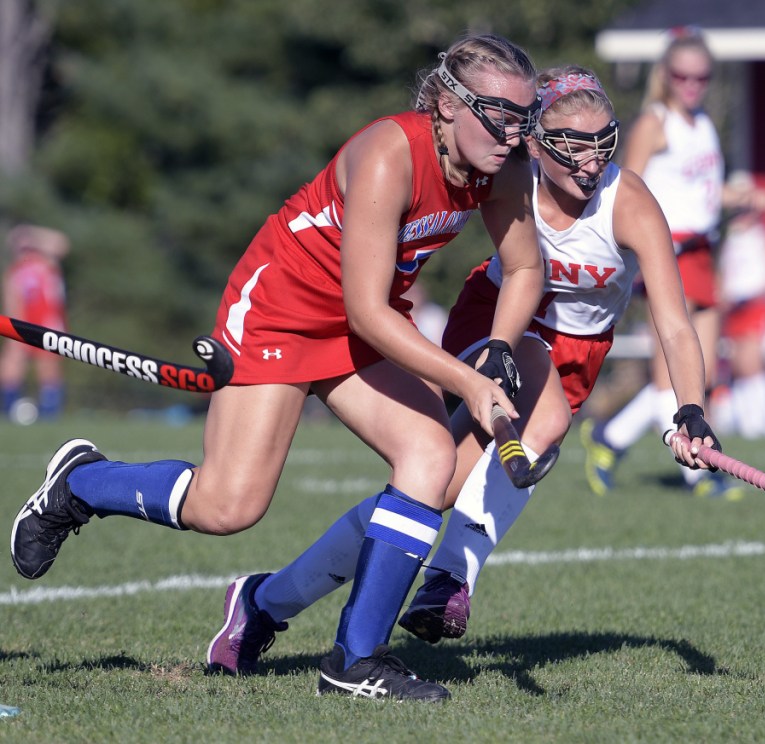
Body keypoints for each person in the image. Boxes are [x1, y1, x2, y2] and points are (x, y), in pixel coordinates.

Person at [11, 33, 545, 702]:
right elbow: (365, 313)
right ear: (445, 103)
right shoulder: (388, 154)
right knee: (227, 506)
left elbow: (526, 267)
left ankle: (354, 662)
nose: (511, 132)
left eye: (523, 118)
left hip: (365, 317)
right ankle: (84, 485)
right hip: (283, 309)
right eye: (497, 113)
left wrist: (496, 347)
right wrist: (469, 381)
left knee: (429, 458)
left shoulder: (505, 169)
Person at [199, 65, 722, 666]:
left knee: (432, 489)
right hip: (499, 325)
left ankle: (265, 602)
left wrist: (690, 410)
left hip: (580, 352)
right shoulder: (509, 178)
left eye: (602, 143)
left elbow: (675, 323)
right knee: (545, 420)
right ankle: (449, 577)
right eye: (571, 147)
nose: (589, 164)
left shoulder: (626, 201)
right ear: (532, 140)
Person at [579, 27, 765, 499]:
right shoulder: (654, 121)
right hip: (671, 252)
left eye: (701, 77)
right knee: (672, 374)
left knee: (697, 375)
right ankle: (698, 472)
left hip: (705, 250)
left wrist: (739, 196)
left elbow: (701, 191)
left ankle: (610, 436)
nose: (692, 84)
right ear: (665, 74)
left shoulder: (703, 123)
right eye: (682, 75)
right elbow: (627, 188)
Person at [715, 174, 765, 439]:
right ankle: (749, 421)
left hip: (755, 303)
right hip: (734, 307)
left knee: (753, 360)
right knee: (739, 363)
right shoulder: (731, 239)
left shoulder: (762, 237)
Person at [1, 224, 71, 422]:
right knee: (12, 361)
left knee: (48, 366)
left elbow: (61, 242)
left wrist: (29, 232)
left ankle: (50, 412)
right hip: (22, 321)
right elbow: (11, 300)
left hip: (48, 322)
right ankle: (7, 407)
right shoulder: (14, 271)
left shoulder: (46, 262)